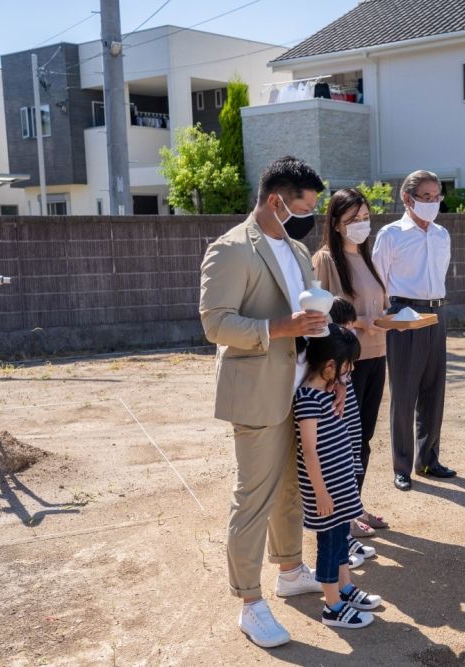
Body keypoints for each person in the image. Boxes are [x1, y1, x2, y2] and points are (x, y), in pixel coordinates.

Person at [200, 156, 328, 647]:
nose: (307, 215)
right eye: (303, 205)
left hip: (299, 385)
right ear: (277, 200)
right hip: (255, 392)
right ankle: (250, 602)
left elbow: (305, 307)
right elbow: (215, 324)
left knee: (291, 490)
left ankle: (291, 568)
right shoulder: (231, 249)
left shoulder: (295, 249)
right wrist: (280, 329)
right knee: (254, 496)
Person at [293, 325, 383, 630]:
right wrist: (320, 492)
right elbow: (308, 450)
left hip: (339, 486)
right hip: (325, 491)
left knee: (341, 541)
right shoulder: (308, 398)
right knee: (329, 546)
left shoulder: (328, 391)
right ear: (330, 366)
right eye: (348, 365)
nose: (352, 370)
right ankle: (332, 606)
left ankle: (345, 588)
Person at [372, 170, 455, 491]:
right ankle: (402, 465)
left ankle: (428, 459)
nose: (433, 203)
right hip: (404, 311)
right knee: (404, 393)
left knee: (435, 390)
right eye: (427, 197)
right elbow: (378, 280)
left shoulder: (441, 234)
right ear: (408, 199)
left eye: (437, 197)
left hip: (438, 311)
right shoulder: (391, 235)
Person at [313, 189, 391, 532]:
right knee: (345, 441)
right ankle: (342, 515)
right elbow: (322, 314)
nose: (361, 225)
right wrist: (360, 322)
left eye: (365, 218)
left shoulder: (366, 256)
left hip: (377, 355)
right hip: (345, 364)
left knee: (365, 439)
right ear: (335, 223)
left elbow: (376, 304)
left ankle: (354, 508)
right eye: (352, 220)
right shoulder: (326, 260)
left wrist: (390, 317)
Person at [325, 298, 380, 561]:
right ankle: (342, 541)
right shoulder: (328, 365)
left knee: (347, 481)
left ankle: (347, 534)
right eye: (346, 326)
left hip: (350, 446)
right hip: (335, 450)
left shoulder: (344, 371)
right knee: (335, 485)